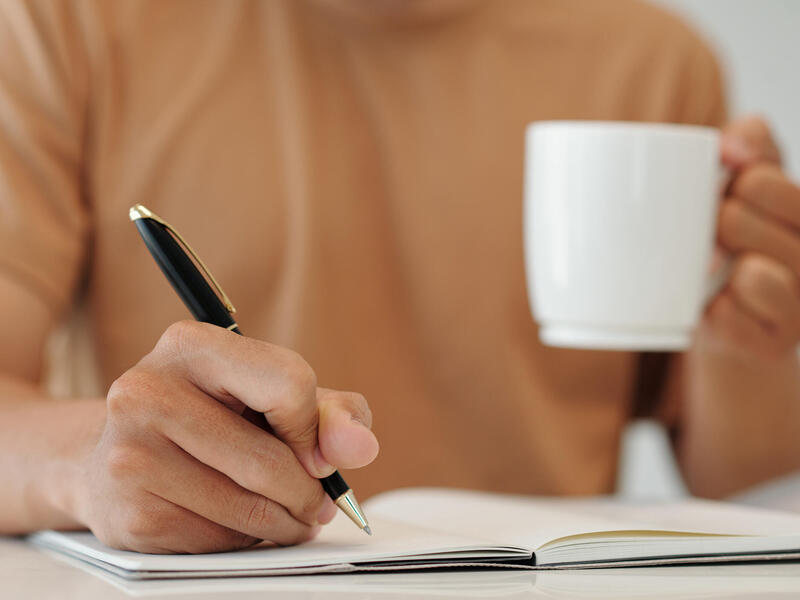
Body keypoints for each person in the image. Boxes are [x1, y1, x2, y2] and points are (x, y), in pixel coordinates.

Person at [1, 0, 799, 554]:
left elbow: (739, 484)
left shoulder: (658, 61)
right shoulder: (64, 22)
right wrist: (88, 464)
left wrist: (751, 335)